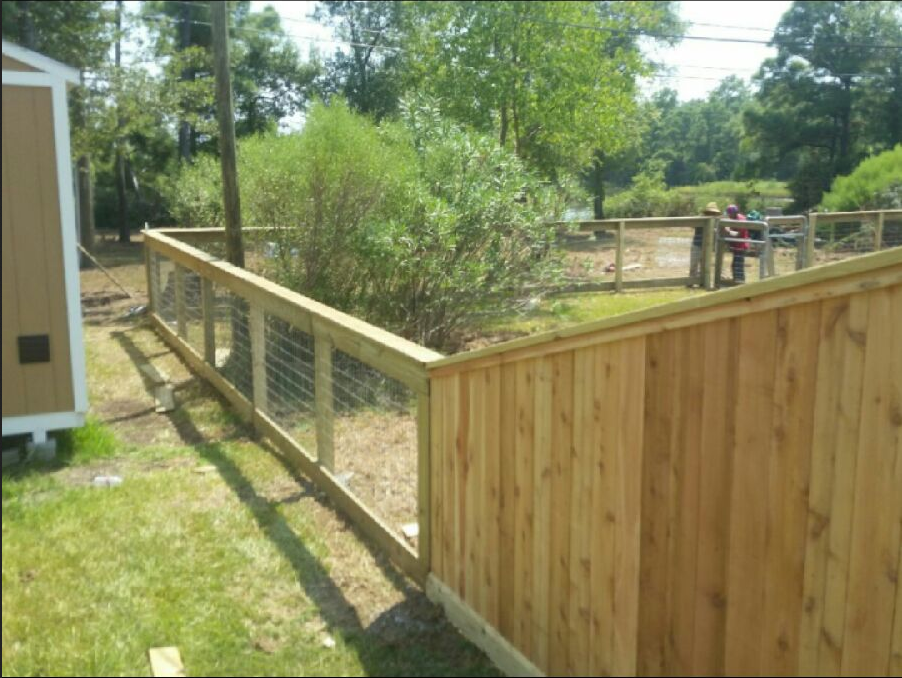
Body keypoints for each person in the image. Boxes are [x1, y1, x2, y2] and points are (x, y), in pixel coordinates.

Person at [690, 201, 721, 283]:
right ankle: (691, 281)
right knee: (694, 264)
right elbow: (692, 224)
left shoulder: (716, 221)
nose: (712, 214)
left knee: (704, 266)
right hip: (697, 245)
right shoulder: (700, 219)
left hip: (708, 246)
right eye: (710, 212)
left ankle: (702, 282)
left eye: (713, 213)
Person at [723, 204, 749, 282]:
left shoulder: (741, 220)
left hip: (741, 245)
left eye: (730, 213)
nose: (729, 215)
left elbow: (737, 234)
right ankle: (737, 279)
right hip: (736, 245)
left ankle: (740, 280)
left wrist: (728, 231)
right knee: (735, 265)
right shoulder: (734, 218)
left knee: (738, 265)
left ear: (734, 212)